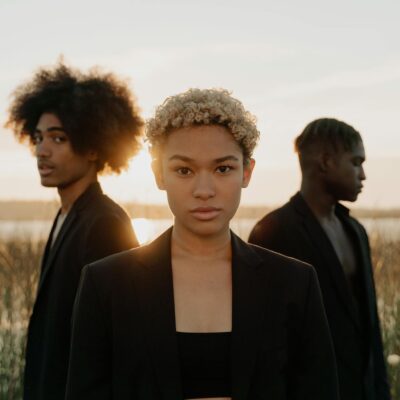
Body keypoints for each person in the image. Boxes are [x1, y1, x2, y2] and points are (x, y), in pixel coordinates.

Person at [65, 89, 339, 400]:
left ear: (246, 172)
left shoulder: (294, 283)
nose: (204, 190)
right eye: (184, 170)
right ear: (158, 174)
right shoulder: (105, 284)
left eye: (223, 169)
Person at [5, 63, 143, 400]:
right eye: (38, 138)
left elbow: (120, 344)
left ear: (94, 147)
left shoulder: (105, 223)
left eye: (58, 138)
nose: (42, 150)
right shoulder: (66, 215)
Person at [249, 118, 391, 400]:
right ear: (326, 161)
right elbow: (263, 342)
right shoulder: (274, 231)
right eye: (355, 162)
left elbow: (370, 328)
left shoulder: (356, 231)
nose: (363, 175)